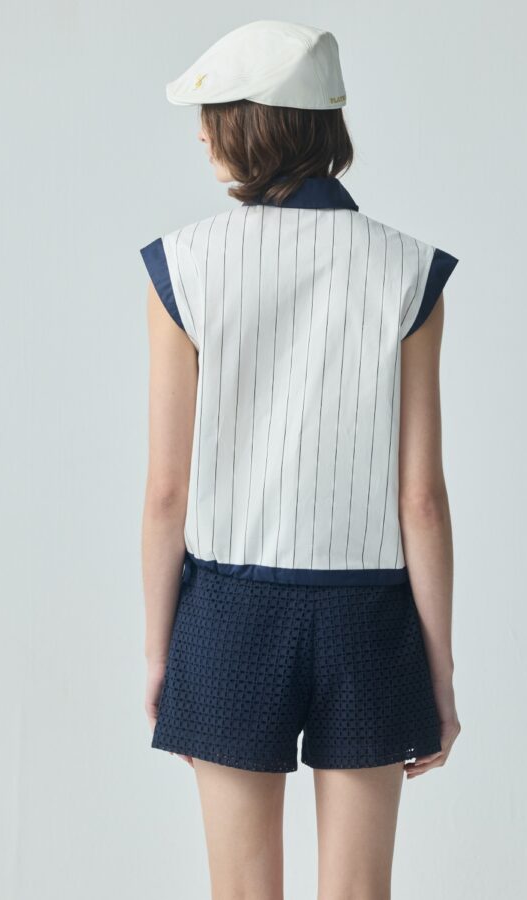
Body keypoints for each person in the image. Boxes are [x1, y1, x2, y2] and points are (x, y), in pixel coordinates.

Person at [139, 19, 461, 899]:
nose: (200, 134)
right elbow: (422, 500)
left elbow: (166, 492)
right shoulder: (408, 271)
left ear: (251, 124)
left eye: (211, 114)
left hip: (227, 618)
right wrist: (439, 671)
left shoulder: (182, 266)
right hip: (369, 623)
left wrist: (161, 650)